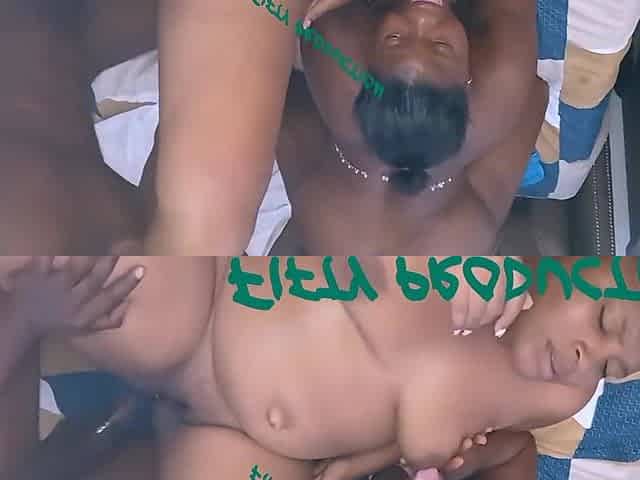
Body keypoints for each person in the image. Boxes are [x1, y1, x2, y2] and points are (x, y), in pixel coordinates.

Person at [1, 256, 638, 480]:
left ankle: (145, 424)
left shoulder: (558, 394)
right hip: (206, 327)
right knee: (49, 273)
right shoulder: (477, 270)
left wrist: (364, 459)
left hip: (259, 449)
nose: (589, 358)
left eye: (613, 369)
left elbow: (439, 426)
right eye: (603, 320)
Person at [270, 0, 546, 254]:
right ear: (468, 80)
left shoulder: (337, 56)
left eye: (396, 38)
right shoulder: (501, 83)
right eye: (441, 46)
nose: (422, 17)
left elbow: (286, 110)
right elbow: (533, 93)